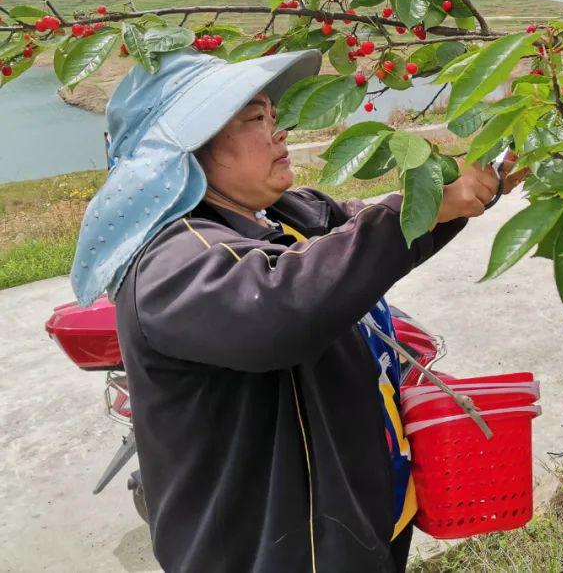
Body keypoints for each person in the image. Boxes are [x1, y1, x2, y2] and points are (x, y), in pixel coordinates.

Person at [70, 49, 528, 572]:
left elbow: (359, 226)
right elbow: (281, 307)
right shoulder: (171, 263)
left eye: (273, 114)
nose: (279, 131)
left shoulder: (280, 212)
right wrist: (430, 204)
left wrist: (459, 197)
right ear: (187, 153)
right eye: (254, 119)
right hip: (270, 553)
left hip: (351, 525)